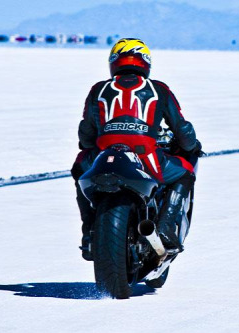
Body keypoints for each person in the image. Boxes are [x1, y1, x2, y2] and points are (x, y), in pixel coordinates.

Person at [71, 38, 202, 261]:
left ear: (113, 62)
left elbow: (85, 134)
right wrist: (192, 145)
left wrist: (93, 142)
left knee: (80, 167)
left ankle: (89, 231)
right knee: (186, 171)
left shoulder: (98, 90)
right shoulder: (158, 89)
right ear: (146, 63)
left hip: (104, 155)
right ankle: (167, 227)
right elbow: (181, 128)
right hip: (147, 157)